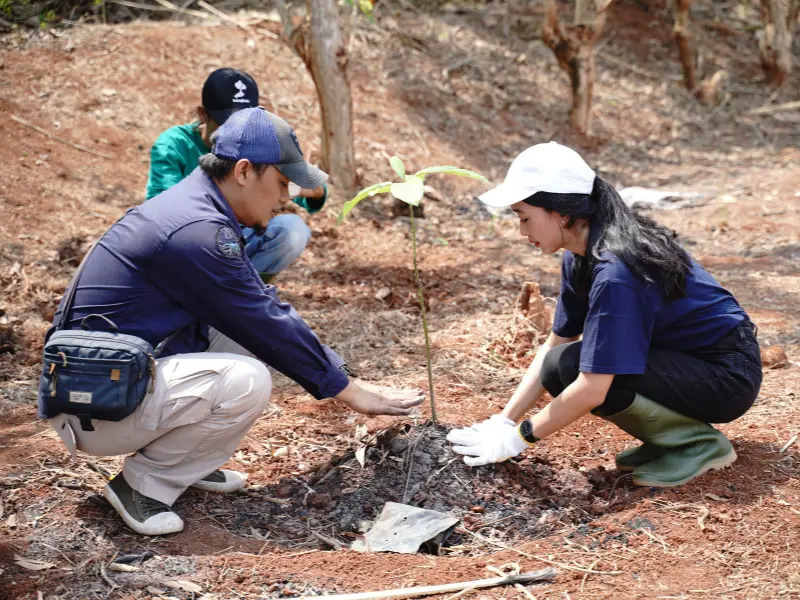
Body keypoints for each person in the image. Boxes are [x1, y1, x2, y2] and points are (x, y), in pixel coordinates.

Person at [41, 107, 423, 536]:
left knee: (242, 339)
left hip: (105, 383)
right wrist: (349, 392)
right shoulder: (197, 230)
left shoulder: (199, 206)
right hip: (93, 403)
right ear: (244, 171)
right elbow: (262, 318)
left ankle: (184, 461)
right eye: (280, 183)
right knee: (246, 379)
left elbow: (261, 308)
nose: (284, 197)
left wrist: (342, 375)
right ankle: (142, 486)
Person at [448, 142, 762, 488]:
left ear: (562, 213)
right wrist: (504, 421)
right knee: (559, 364)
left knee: (573, 367)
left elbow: (592, 389)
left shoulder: (617, 272)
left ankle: (695, 444)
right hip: (687, 362)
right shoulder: (581, 255)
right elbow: (557, 341)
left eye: (525, 217)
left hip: (727, 376)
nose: (523, 232)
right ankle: (670, 437)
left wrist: (518, 439)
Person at [146, 67, 325, 283]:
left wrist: (293, 188)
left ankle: (248, 290)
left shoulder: (259, 142)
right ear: (203, 114)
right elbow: (162, 209)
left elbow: (315, 189)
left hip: (239, 241)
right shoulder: (174, 145)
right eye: (225, 124)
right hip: (191, 243)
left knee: (292, 231)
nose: (235, 133)